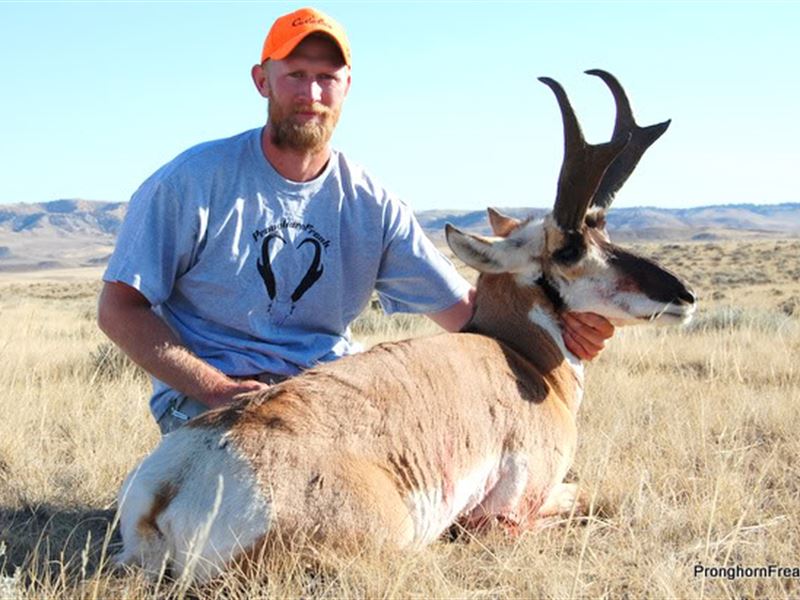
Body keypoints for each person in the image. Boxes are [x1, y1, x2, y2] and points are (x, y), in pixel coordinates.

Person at [97, 7, 614, 435]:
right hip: (207, 401)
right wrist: (215, 387)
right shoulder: (192, 183)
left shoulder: (371, 205)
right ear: (262, 81)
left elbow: (467, 316)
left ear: (347, 86)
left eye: (326, 78)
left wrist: (564, 329)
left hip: (330, 397)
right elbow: (119, 309)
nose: (311, 94)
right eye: (295, 75)